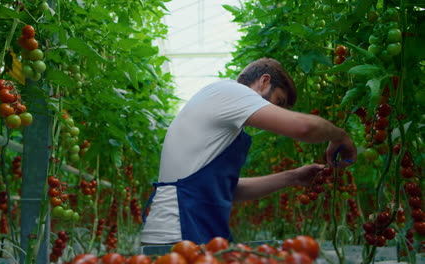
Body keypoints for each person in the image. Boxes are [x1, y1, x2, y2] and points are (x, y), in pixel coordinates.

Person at [140, 58, 357, 245]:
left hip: (188, 231)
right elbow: (304, 127)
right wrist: (340, 135)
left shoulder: (224, 114)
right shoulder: (231, 92)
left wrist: (293, 177)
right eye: (278, 102)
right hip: (179, 233)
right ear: (264, 81)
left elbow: (225, 190)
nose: (277, 112)